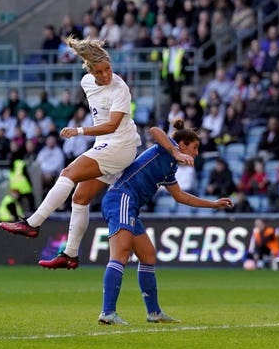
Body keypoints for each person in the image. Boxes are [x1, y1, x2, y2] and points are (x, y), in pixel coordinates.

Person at [0, 36, 161, 270]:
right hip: (106, 146)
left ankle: (32, 223)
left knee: (67, 174)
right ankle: (70, 254)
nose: (105, 75)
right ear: (90, 71)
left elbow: (112, 125)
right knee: (80, 198)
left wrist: (79, 131)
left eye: (108, 69)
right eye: (100, 71)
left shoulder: (120, 88)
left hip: (121, 146)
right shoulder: (87, 82)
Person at [98, 121, 233, 324]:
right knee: (120, 254)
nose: (196, 153)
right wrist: (177, 153)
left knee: (148, 255)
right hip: (121, 198)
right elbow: (153, 130)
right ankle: (107, 313)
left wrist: (213, 204)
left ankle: (154, 313)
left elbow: (181, 197)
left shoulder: (169, 168)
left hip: (130, 205)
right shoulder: (165, 149)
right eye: (194, 148)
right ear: (182, 144)